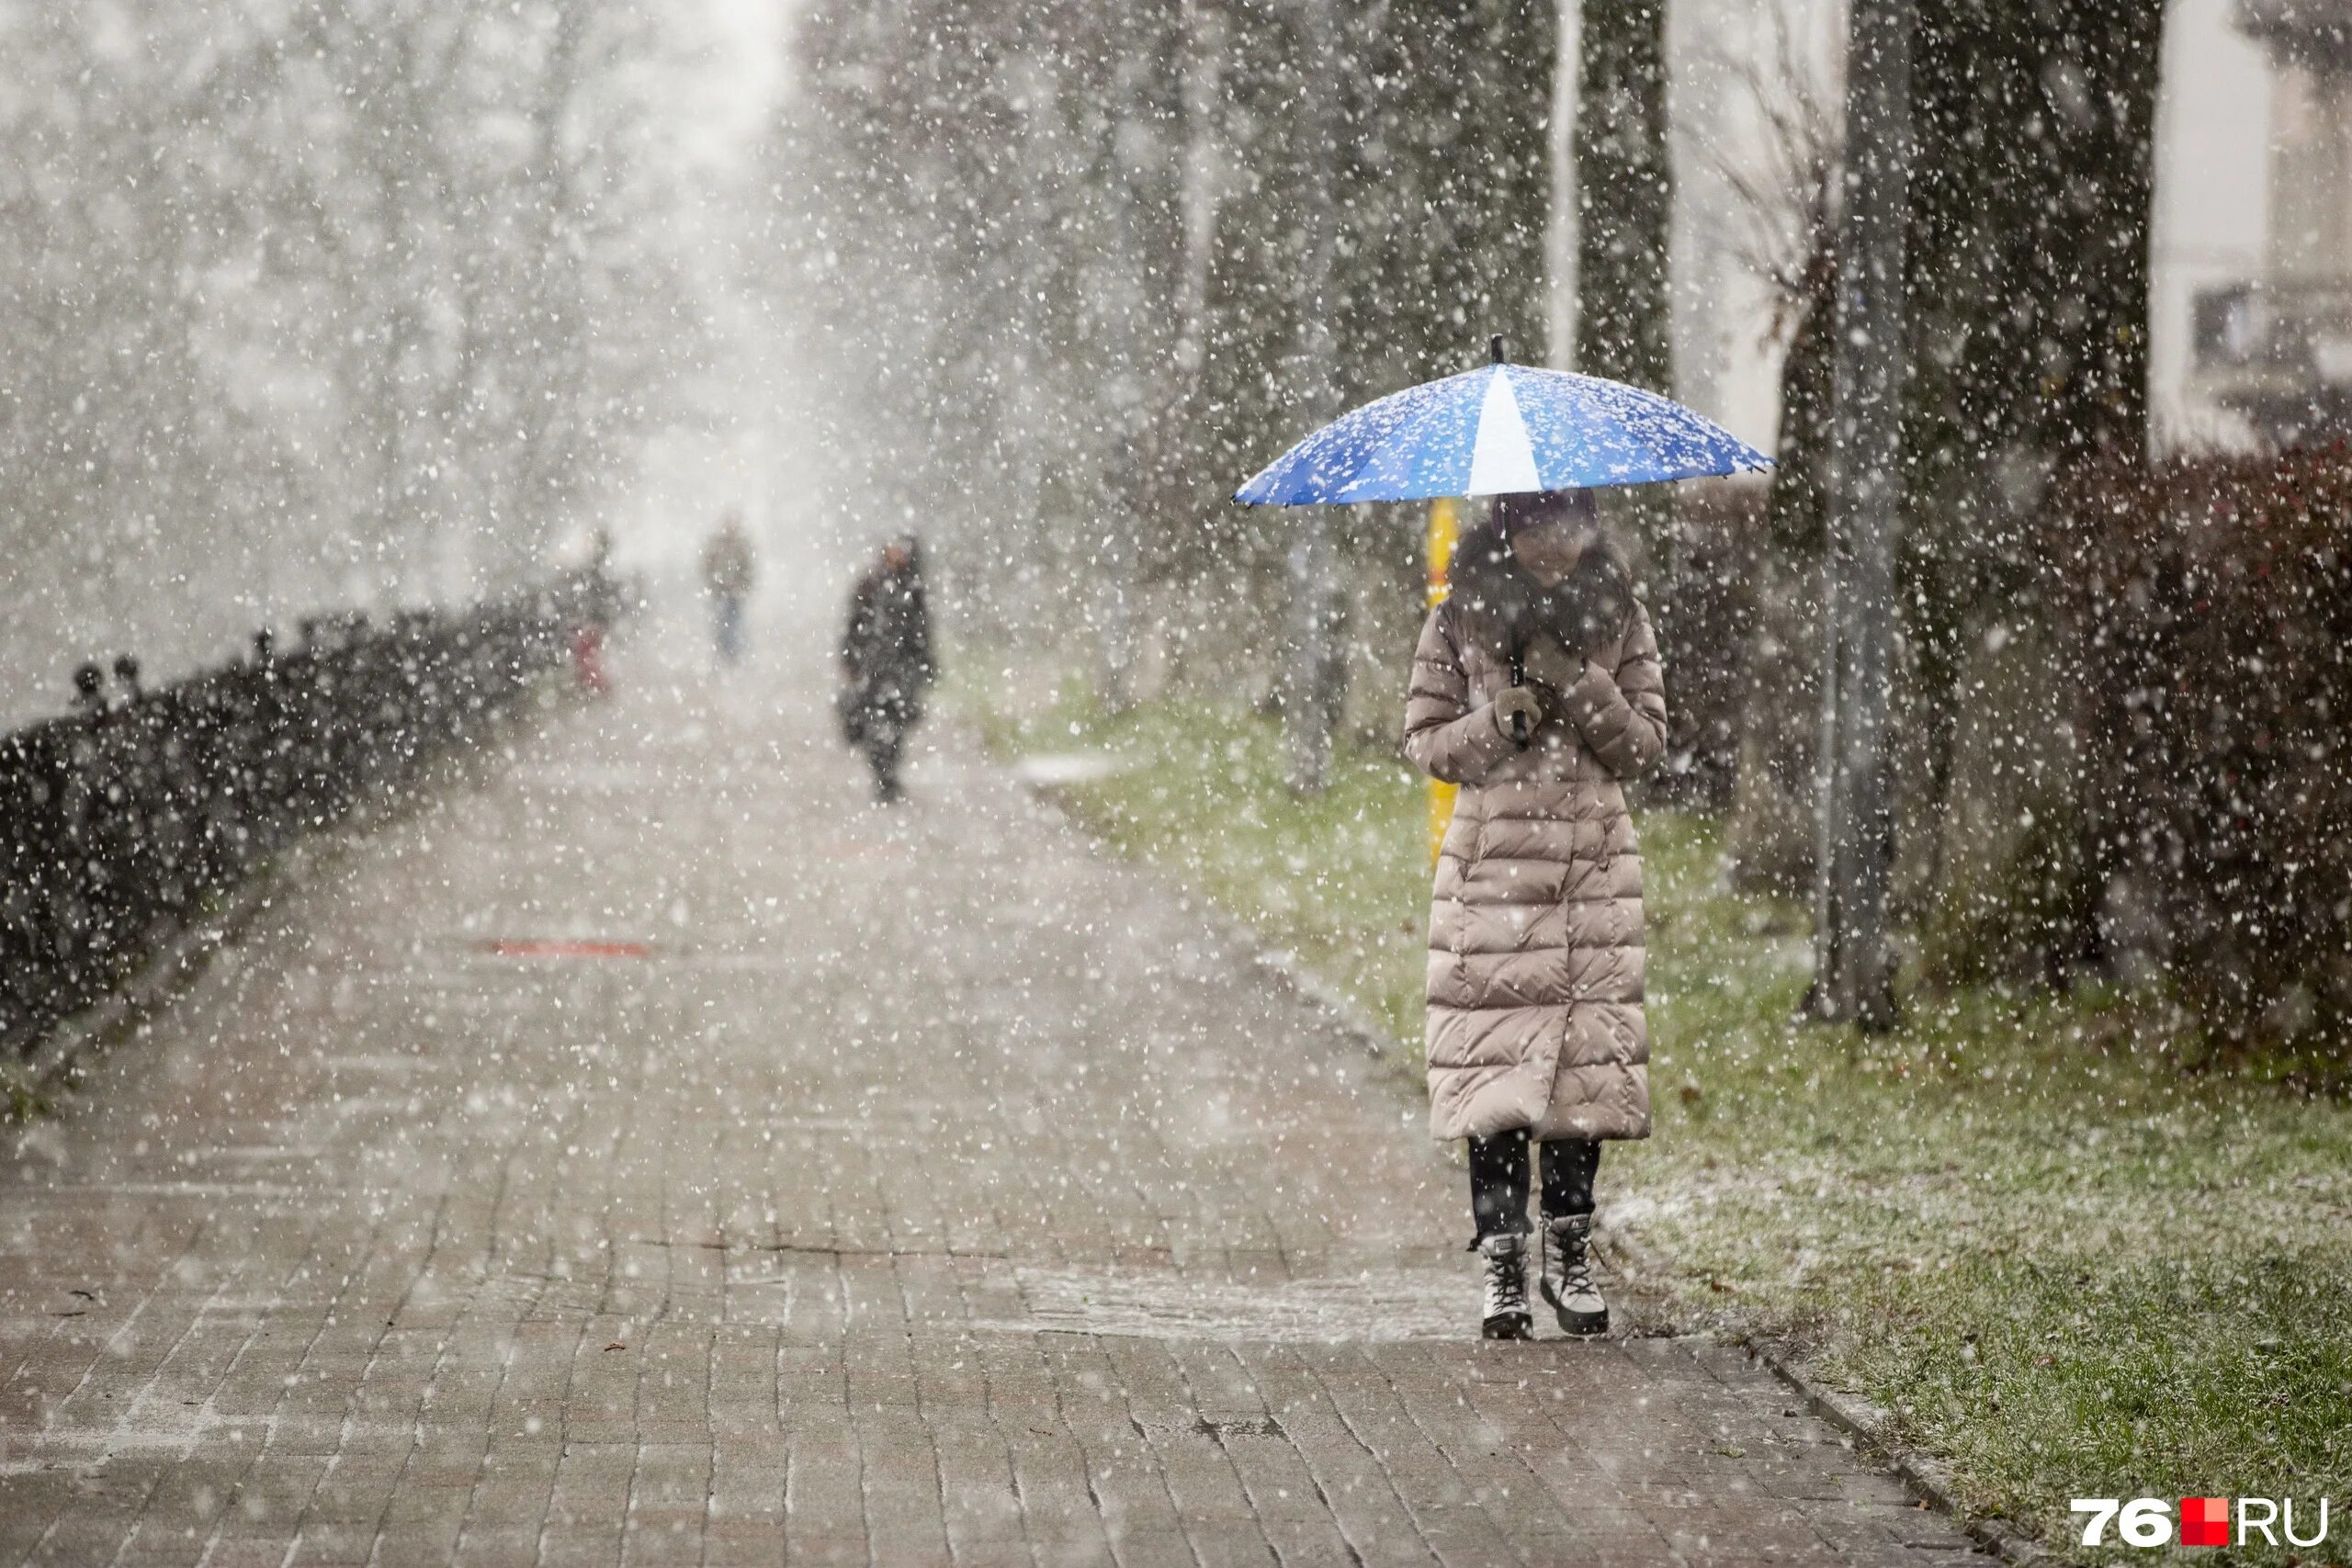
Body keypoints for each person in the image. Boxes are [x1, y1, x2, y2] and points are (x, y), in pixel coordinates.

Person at [1402, 489, 1668, 1340]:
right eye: (1540, 524)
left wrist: (1578, 683)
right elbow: (1426, 740)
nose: (1557, 542)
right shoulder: (1458, 622)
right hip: (1494, 881)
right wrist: (1493, 723)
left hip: (1590, 875)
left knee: (1580, 1074)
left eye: (1571, 524)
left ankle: (1569, 1249)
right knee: (1494, 1072)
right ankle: (1504, 1261)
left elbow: (1645, 747)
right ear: (1508, 526)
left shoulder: (1620, 617)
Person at [837, 536, 935, 802]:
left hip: (902, 669)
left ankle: (889, 772)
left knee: (896, 725)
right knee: (874, 724)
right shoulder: (869, 585)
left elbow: (922, 631)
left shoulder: (913, 589)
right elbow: (853, 625)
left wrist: (925, 665)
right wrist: (850, 659)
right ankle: (882, 774)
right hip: (873, 668)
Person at [701, 513, 756, 665]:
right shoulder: (716, 545)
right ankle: (723, 655)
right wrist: (714, 585)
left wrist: (742, 586)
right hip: (720, 593)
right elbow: (707, 567)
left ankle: (734, 655)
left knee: (734, 624)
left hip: (735, 594)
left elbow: (748, 569)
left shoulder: (741, 546)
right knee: (721, 625)